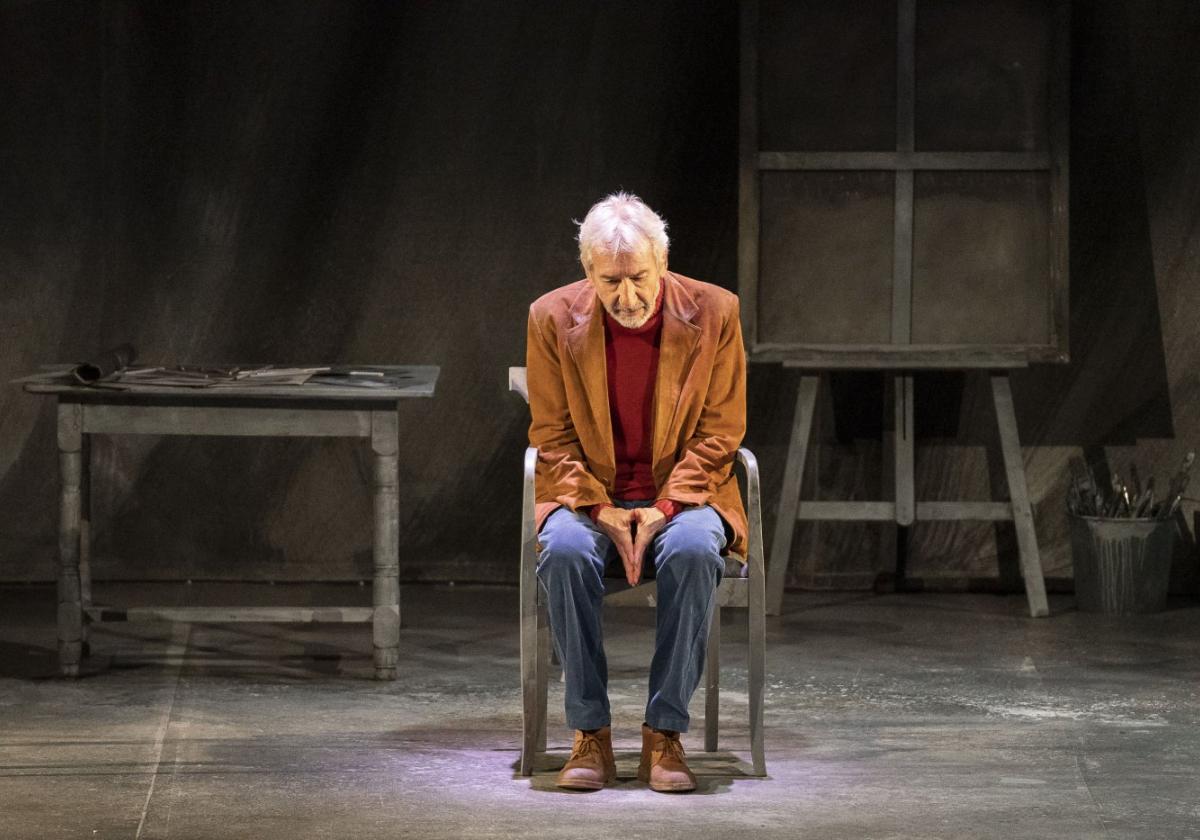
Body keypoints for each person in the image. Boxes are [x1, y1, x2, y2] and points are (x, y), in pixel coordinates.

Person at [525, 192, 748, 792]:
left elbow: (721, 431)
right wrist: (599, 507)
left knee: (697, 551)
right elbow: (552, 435)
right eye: (610, 280)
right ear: (586, 270)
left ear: (664, 260)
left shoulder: (715, 311)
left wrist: (662, 508)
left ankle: (664, 733)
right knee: (566, 552)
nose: (626, 297)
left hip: (686, 497)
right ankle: (590, 733)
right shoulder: (550, 317)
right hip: (586, 496)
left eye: (639, 279)